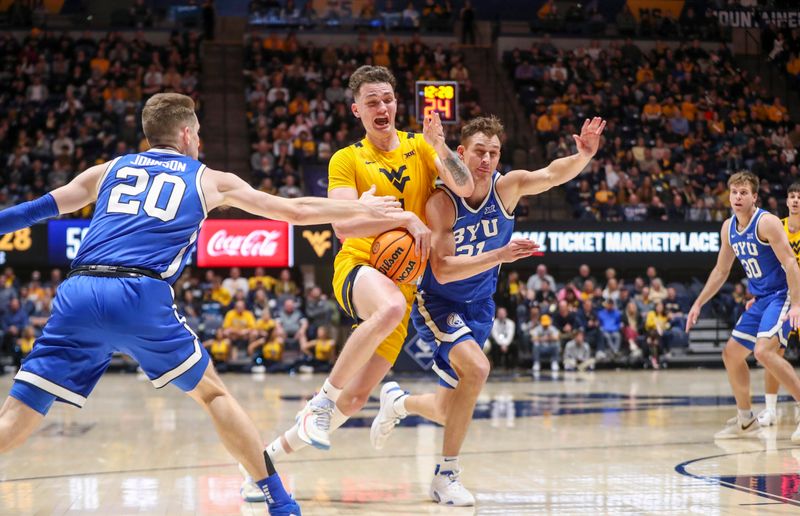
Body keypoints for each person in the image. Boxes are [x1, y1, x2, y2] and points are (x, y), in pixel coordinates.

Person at [0, 92, 403, 516]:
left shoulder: (108, 170)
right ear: (187, 133)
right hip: (140, 292)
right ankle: (280, 502)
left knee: (19, 412)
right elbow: (294, 210)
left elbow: (32, 211)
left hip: (79, 290)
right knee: (213, 395)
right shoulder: (207, 178)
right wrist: (360, 207)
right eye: (199, 135)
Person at [368, 115, 605, 505]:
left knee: (448, 409)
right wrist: (500, 254)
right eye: (479, 151)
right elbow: (441, 270)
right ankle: (447, 475)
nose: (487, 159)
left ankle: (398, 402)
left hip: (480, 305)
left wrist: (582, 156)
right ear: (460, 153)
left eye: (494, 152)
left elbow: (550, 175)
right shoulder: (442, 202)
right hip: (439, 302)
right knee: (478, 369)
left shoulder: (507, 188)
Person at [254, 65, 473, 465]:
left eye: (387, 99)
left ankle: (264, 461)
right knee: (386, 307)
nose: (382, 106)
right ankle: (321, 403)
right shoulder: (347, 159)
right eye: (371, 101)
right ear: (357, 110)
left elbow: (465, 187)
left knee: (355, 398)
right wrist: (402, 218)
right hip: (360, 265)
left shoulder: (420, 146)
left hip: (404, 282)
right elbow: (343, 224)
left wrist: (440, 146)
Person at [686, 171, 800, 441]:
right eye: (734, 192)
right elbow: (721, 270)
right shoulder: (728, 228)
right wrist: (698, 303)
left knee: (764, 352)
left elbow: (791, 264)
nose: (738, 197)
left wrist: (796, 304)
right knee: (731, 354)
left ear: (754, 197)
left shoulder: (768, 223)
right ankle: (746, 420)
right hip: (760, 300)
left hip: (782, 295)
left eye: (744, 193)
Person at [750, 181, 800, 427]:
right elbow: (767, 266)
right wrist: (760, 295)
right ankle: (770, 410)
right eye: (792, 196)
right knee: (771, 353)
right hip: (782, 295)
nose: (795, 200)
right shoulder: (775, 226)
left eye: (799, 197)